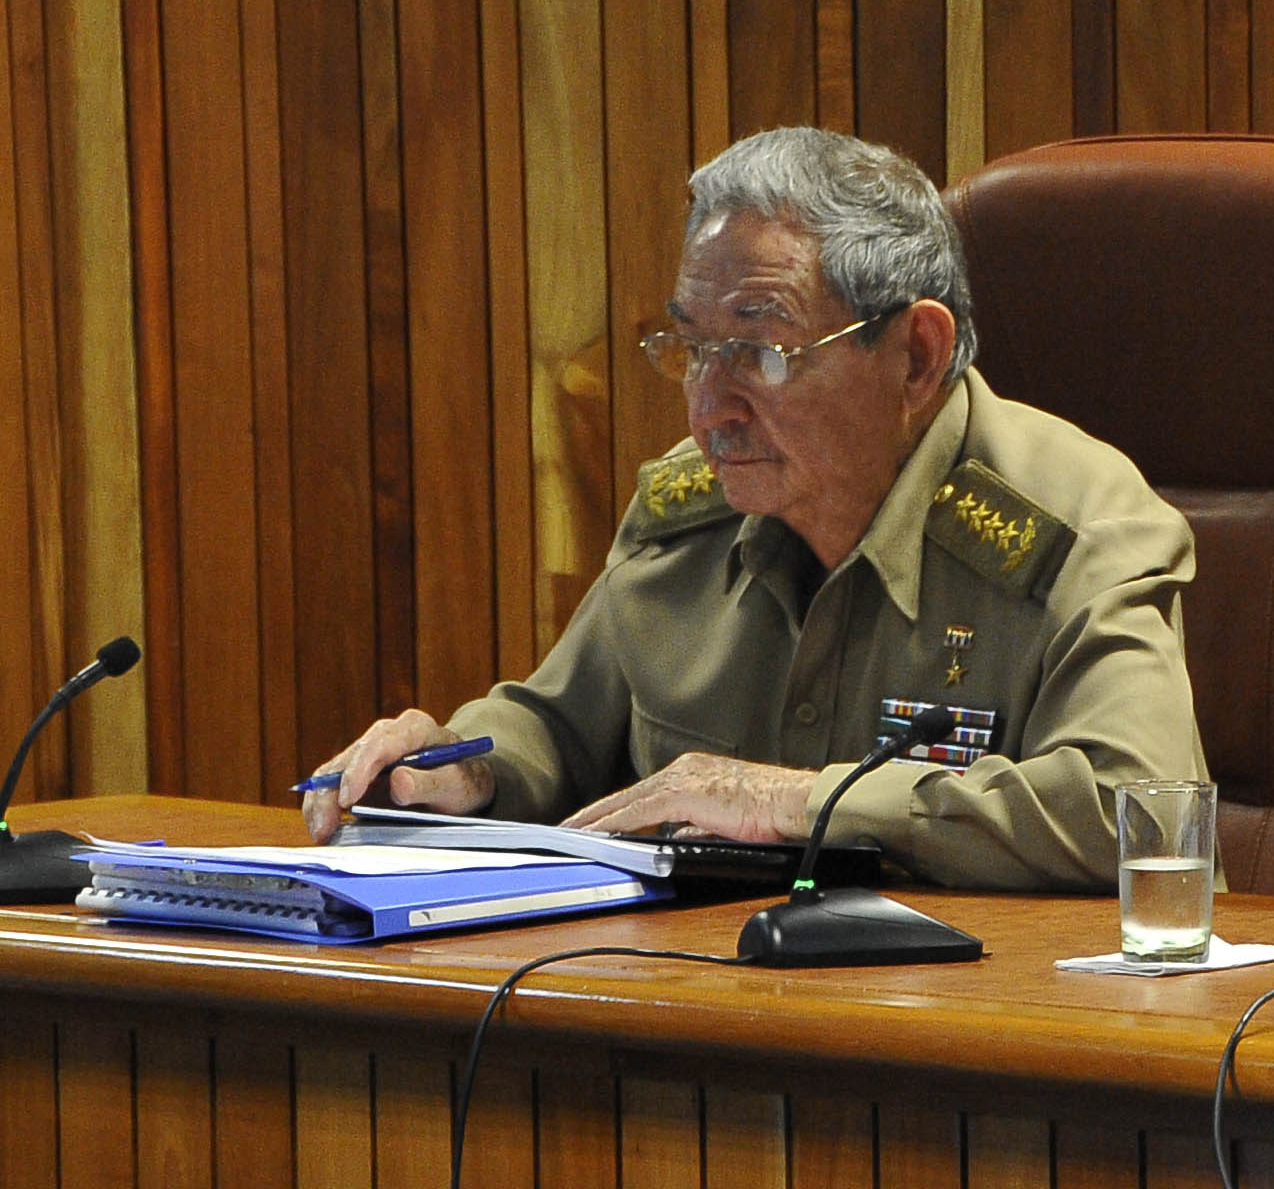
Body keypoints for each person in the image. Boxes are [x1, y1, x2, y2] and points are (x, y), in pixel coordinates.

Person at [303, 126, 1205, 891]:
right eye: (693, 348)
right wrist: (462, 766)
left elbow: (1147, 816)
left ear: (917, 358)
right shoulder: (691, 509)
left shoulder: (1080, 526)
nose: (709, 409)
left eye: (760, 351)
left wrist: (797, 802)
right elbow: (561, 725)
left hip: (986, 1037)